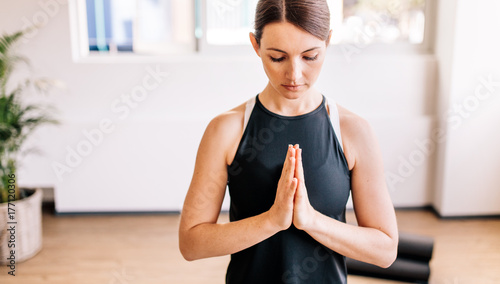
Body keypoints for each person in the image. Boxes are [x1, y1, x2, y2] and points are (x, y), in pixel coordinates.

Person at [179, 0, 398, 283]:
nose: (294, 75)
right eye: (278, 57)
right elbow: (191, 243)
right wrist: (271, 221)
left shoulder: (353, 132)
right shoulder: (226, 130)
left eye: (309, 56)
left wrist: (310, 220)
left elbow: (385, 250)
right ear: (255, 45)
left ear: (328, 42)